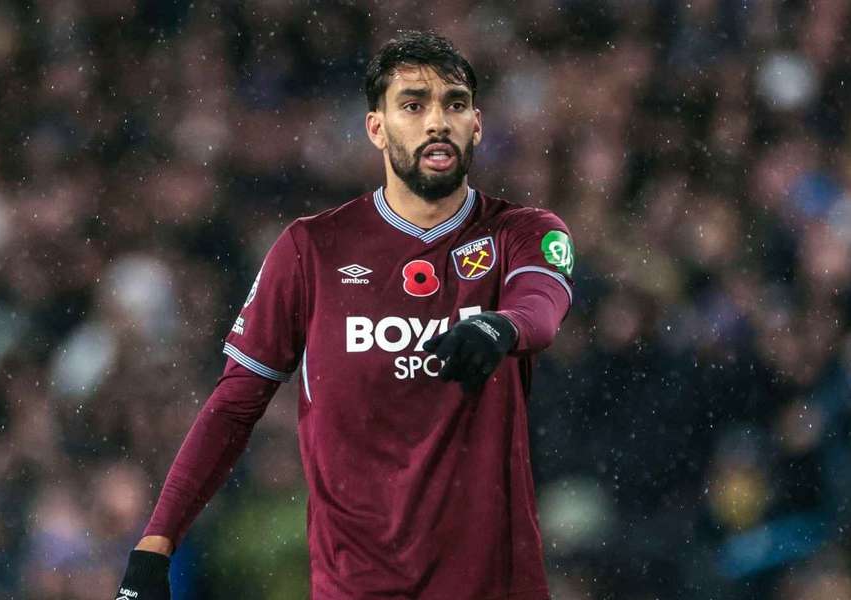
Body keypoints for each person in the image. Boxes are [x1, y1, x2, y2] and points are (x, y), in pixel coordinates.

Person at [114, 29, 576, 600]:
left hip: (491, 586)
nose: (437, 121)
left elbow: (540, 306)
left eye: (454, 103)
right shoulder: (312, 250)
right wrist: (155, 544)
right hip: (356, 588)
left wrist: (500, 325)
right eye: (413, 104)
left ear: (476, 124)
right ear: (375, 128)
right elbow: (234, 406)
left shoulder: (521, 233)